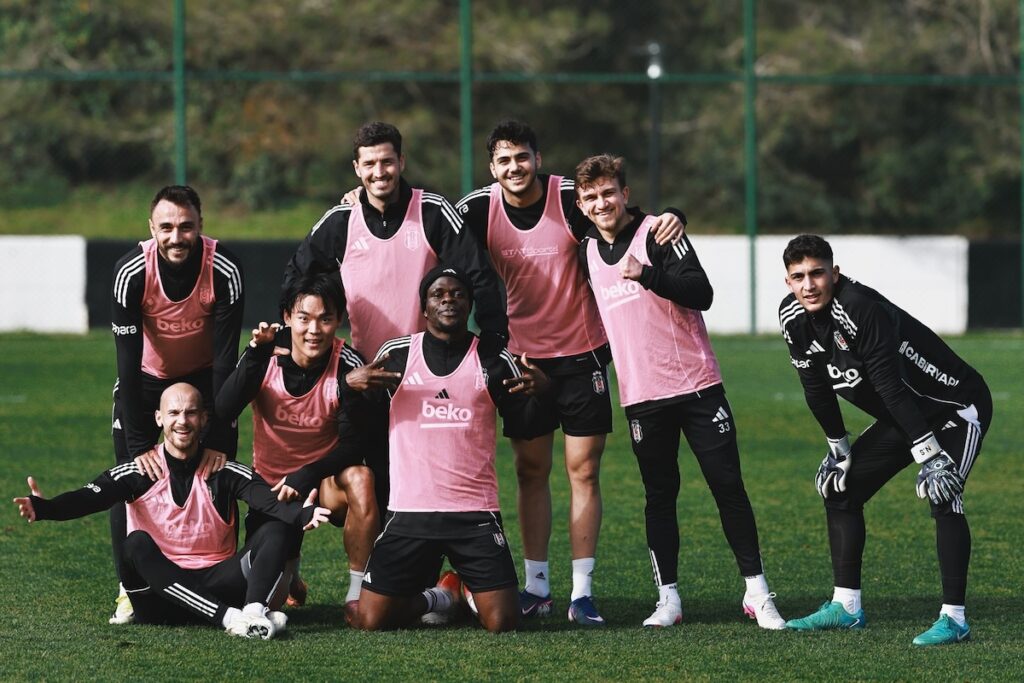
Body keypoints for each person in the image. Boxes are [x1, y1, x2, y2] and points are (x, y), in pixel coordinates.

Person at [454, 120, 685, 625]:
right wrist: (358, 198)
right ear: (492, 167)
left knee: (583, 471)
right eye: (504, 160)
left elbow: (621, 219)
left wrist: (673, 216)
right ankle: (537, 587)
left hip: (583, 356)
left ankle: (582, 594)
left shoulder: (567, 198)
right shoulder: (477, 208)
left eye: (522, 156)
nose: (514, 167)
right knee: (530, 471)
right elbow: (426, 224)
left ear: (537, 159)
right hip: (523, 360)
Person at [575, 154, 785, 629]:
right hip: (641, 397)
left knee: (727, 487)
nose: (601, 203)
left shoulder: (659, 232)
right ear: (582, 205)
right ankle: (668, 599)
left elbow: (701, 292)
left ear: (625, 194)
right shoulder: (585, 250)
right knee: (659, 496)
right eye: (590, 197)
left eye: (608, 193)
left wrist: (647, 273)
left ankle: (757, 593)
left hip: (696, 387)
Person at [283, 121, 507, 517]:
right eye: (369, 164)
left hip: (429, 373)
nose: (379, 172)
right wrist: (296, 344)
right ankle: (383, 557)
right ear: (357, 168)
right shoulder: (341, 220)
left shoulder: (432, 211)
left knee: (436, 478)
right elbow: (296, 277)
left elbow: (477, 273)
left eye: (386, 162)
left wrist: (492, 339)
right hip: (367, 373)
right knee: (378, 480)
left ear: (401, 162)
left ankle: (456, 551)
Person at [778, 234, 991, 646]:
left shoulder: (859, 308)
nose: (809, 285)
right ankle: (846, 607)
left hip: (955, 406)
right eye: (798, 277)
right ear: (788, 282)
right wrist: (838, 448)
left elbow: (889, 386)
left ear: (834, 273)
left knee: (944, 494)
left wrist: (930, 455)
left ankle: (955, 619)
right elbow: (816, 388)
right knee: (841, 489)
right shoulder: (792, 318)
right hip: (905, 414)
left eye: (817, 273)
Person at [322, 265, 550, 633]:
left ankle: (468, 591)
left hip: (474, 514)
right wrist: (350, 386)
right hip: (409, 514)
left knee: (503, 622)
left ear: (469, 305)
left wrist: (542, 393)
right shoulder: (396, 355)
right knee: (369, 620)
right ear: (424, 307)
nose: (448, 300)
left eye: (458, 294)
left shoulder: (492, 358)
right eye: (438, 294)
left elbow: (525, 425)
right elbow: (362, 424)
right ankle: (443, 597)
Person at [13, 383, 331, 640]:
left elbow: (268, 500)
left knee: (276, 528)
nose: (182, 421)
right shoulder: (139, 470)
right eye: (174, 412)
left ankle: (253, 614)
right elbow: (89, 496)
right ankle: (231, 619)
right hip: (158, 598)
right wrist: (46, 507)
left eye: (191, 413)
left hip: (218, 582)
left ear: (204, 419)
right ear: (159, 418)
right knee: (135, 543)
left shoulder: (224, 470)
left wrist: (302, 515)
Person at [109, 184, 245, 624]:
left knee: (220, 479)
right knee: (129, 483)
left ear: (200, 226)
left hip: (206, 381)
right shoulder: (132, 272)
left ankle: (223, 575)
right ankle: (129, 588)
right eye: (166, 227)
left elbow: (226, 363)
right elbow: (127, 368)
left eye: (186, 227)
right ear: (151, 229)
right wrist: (137, 448)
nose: (176, 236)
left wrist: (218, 436)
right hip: (147, 383)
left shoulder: (223, 269)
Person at [215, 273, 378, 621]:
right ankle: (291, 574)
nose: (314, 330)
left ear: (339, 319)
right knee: (268, 601)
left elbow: (354, 445)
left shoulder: (348, 363)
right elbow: (224, 409)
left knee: (361, 477)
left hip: (324, 483)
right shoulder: (266, 351)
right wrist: (254, 356)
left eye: (325, 319)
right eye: (304, 318)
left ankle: (356, 593)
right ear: (287, 317)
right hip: (272, 489)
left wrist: (308, 474)